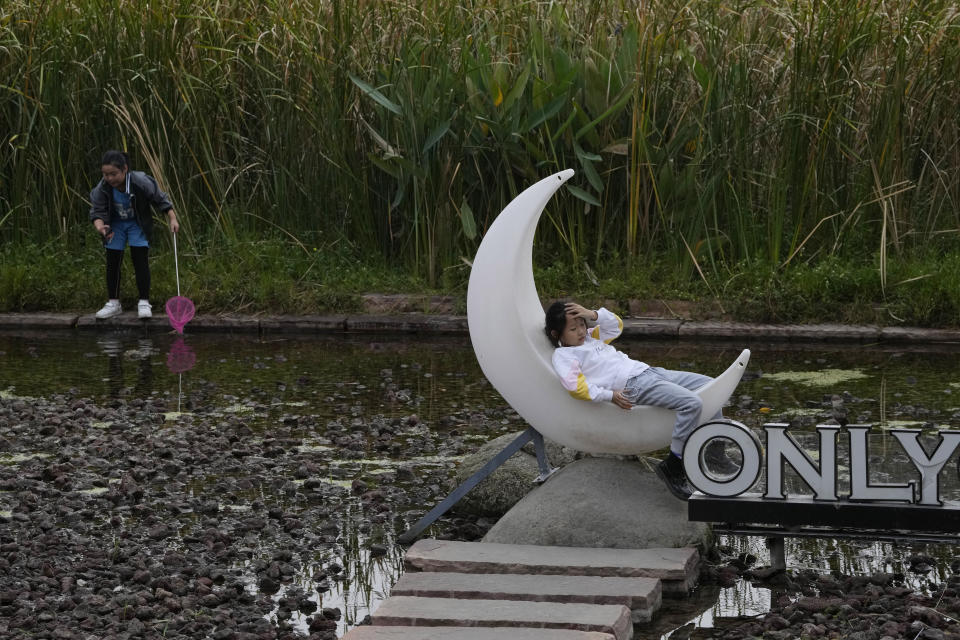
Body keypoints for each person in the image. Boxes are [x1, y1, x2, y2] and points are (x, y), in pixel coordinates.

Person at [544, 300, 733, 500]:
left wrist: (592, 314)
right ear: (557, 335)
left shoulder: (591, 338)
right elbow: (576, 387)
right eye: (573, 329)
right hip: (632, 385)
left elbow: (616, 326)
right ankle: (674, 465)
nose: (581, 331)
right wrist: (609, 395)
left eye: (582, 324)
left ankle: (715, 453)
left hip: (648, 371)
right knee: (692, 403)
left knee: (713, 386)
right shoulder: (564, 355)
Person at [89, 150, 179, 319]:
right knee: (113, 260)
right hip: (115, 223)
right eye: (105, 174)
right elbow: (97, 211)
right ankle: (113, 303)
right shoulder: (103, 187)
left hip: (137, 223)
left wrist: (172, 219)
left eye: (113, 174)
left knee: (140, 259)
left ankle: (144, 302)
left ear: (125, 169)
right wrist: (101, 228)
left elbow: (161, 200)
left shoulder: (140, 181)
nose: (109, 178)